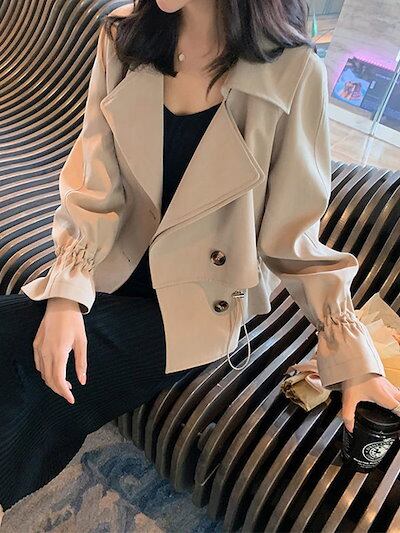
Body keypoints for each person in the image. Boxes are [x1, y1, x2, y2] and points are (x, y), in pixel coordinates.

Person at [1, 0, 399, 516]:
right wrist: (65, 296)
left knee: (43, 386)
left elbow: (295, 239)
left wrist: (353, 358)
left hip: (196, 305)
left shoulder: (295, 73)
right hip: (111, 267)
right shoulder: (123, 38)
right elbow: (94, 183)